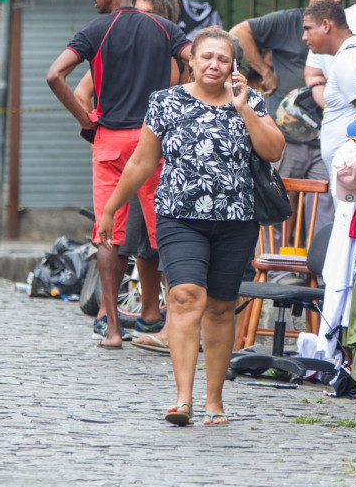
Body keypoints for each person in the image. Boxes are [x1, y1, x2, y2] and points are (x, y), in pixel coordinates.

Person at [98, 27, 284, 426]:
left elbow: (274, 150)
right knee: (184, 296)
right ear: (191, 61)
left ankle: (214, 400)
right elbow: (141, 162)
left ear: (233, 65)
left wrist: (244, 108)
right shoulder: (165, 103)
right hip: (179, 216)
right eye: (207, 57)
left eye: (223, 59)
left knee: (219, 307)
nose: (214, 65)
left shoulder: (249, 101)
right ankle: (183, 399)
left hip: (237, 219)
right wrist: (110, 209)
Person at [46, 0, 191, 349]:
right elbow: (196, 58)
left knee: (108, 234)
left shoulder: (96, 31)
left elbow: (54, 75)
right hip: (152, 141)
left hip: (109, 142)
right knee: (168, 232)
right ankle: (175, 327)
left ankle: (112, 329)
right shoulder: (165, 29)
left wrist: (88, 122)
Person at [231, 0, 343, 227]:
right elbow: (239, 32)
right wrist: (264, 71)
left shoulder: (341, 29)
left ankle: (316, 267)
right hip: (287, 136)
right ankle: (276, 267)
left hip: (326, 137)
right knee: (280, 203)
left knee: (323, 210)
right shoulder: (289, 21)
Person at [300, 0, 356, 174]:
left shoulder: (349, 60)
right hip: (350, 170)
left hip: (353, 173)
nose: (304, 36)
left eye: (308, 28)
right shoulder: (354, 52)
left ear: (325, 25)